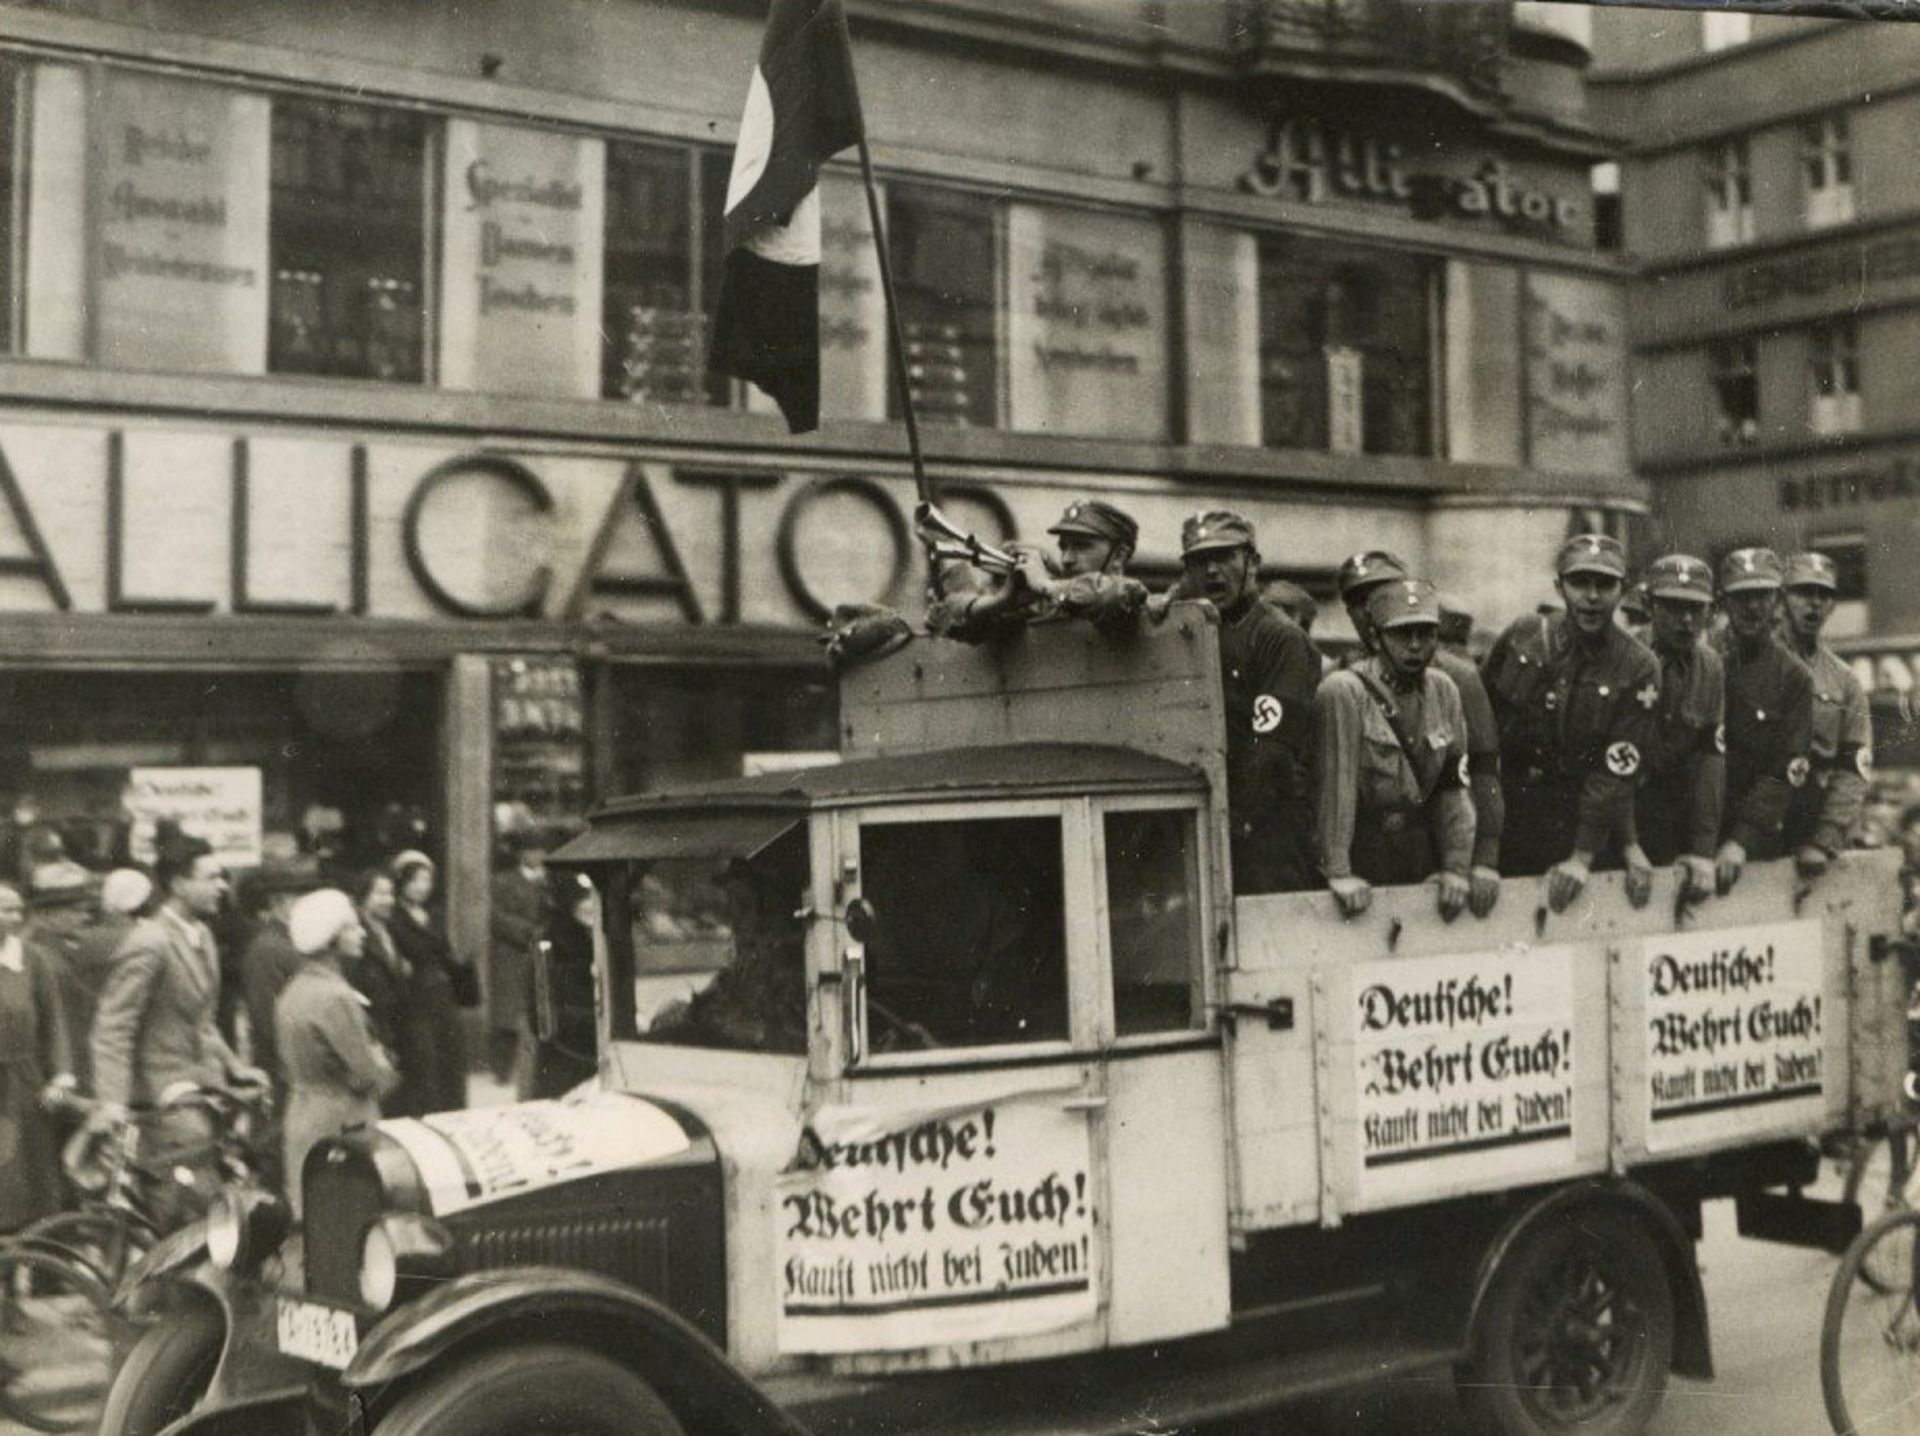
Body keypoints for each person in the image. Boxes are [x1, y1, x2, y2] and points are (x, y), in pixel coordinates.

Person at [88, 836, 268, 1227]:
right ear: (177, 884)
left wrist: (236, 1066)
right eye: (211, 877)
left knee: (224, 1183)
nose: (222, 886)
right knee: (198, 1201)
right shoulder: (150, 941)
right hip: (160, 1092)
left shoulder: (201, 936)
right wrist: (112, 1102)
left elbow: (201, 1021)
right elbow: (113, 1026)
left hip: (197, 1083)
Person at [1483, 533, 1661, 911]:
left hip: (1581, 824)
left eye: (1605, 585)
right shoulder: (1524, 635)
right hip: (1510, 815)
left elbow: (1615, 769)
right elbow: (1483, 725)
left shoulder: (1638, 666)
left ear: (1623, 590)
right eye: (1579, 583)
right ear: (1559, 587)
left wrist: (1581, 855)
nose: (1592, 597)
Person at [1344, 553, 1504, 917]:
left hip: (1433, 854)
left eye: (1380, 592)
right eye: (1357, 600)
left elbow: (1481, 771)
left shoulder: (1455, 678)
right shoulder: (1343, 680)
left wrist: (1481, 860)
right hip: (1365, 854)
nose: (1368, 607)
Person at [1313, 579, 1474, 921]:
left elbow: (1453, 787)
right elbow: (1335, 787)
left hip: (1419, 853)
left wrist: (1456, 867)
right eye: (1402, 634)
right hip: (1362, 853)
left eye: (1426, 633)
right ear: (1375, 637)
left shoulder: (1443, 689)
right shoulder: (1345, 691)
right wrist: (1338, 872)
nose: (1416, 646)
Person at [1179, 509, 1321, 894]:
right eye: (1199, 561)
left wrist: (1230, 822)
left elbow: (1271, 750)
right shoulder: (1191, 629)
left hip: (1264, 829)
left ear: (1251, 563)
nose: (1212, 572)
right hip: (1203, 820)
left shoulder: (1279, 637)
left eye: (1225, 558)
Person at [275, 888, 398, 1216]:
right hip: (343, 1120)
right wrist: (382, 1066)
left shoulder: (295, 989)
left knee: (311, 1215)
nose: (360, 934)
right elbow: (369, 1074)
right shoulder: (336, 996)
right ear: (331, 939)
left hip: (302, 1113)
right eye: (352, 928)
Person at [1713, 547, 1814, 894]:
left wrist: (1742, 840)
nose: (1752, 607)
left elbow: (1787, 767)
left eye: (1761, 595)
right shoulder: (1699, 660)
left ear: (1778, 600)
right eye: (1741, 596)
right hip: (1685, 839)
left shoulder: (1794, 676)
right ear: (1723, 601)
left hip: (1755, 844)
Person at [1626, 555, 1725, 905]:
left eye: (1696, 610)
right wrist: (1628, 845)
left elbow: (1709, 760)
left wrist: (1702, 849)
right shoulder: (1623, 655)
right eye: (1673, 607)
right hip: (1617, 822)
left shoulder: (1710, 667)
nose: (1686, 621)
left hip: (1672, 823)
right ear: (1649, 606)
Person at [1780, 551, 1872, 879]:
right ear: (1782, 598)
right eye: (1804, 592)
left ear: (1833, 605)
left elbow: (1853, 766)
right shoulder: (1757, 662)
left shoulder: (1844, 680)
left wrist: (1825, 839)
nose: (1814, 603)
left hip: (1815, 825)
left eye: (1824, 595)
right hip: (1755, 825)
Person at [0, 881, 76, 1236]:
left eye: (16, 909)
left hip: (24, 1084)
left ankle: (41, 1267)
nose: (12, 917)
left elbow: (55, 1022)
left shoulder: (33, 960)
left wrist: (60, 1076)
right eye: (4, 909)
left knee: (31, 1178)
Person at [387, 853, 469, 1116]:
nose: (422, 887)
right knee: (425, 1063)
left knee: (451, 1061)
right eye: (415, 880)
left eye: (427, 880)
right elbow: (416, 952)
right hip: (415, 998)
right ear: (401, 883)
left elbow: (444, 952)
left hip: (442, 994)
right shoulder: (394, 917)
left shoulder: (434, 914)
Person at [239, 862, 320, 1097]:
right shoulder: (268, 947)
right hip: (284, 1066)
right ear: (278, 903)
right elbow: (267, 1015)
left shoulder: (291, 940)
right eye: (298, 899)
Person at [489, 832, 548, 1092]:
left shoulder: (550, 881)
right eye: (531, 850)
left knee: (535, 1011)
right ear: (521, 854)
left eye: (540, 850)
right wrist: (530, 932)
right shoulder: (503, 882)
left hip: (541, 956)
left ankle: (533, 1067)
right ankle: (502, 1072)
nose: (537, 856)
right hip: (513, 955)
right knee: (508, 1016)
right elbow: (496, 916)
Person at [532, 874, 600, 1099]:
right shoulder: (549, 945)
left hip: (594, 1051)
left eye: (593, 897)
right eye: (582, 899)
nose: (590, 906)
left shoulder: (599, 939)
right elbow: (543, 1015)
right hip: (566, 1056)